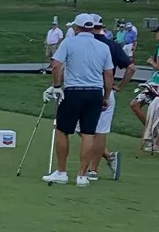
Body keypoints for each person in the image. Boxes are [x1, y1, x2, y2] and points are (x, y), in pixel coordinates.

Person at [44, 13, 113, 187]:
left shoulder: (69, 42)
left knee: (62, 130)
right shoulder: (103, 47)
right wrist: (106, 97)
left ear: (76, 28)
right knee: (89, 133)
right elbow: (109, 74)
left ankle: (61, 172)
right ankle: (82, 176)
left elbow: (56, 65)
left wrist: (57, 86)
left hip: (73, 92)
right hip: (95, 93)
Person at [90, 19, 135, 181]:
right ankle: (107, 158)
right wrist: (120, 86)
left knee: (88, 130)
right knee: (95, 131)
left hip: (92, 89)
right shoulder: (113, 45)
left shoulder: (85, 43)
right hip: (106, 90)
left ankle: (94, 169)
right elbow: (130, 68)